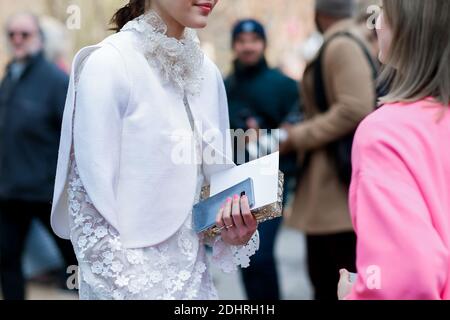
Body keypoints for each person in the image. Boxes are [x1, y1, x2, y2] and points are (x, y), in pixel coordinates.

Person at [50, 0, 259, 300]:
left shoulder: (207, 73)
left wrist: (233, 229)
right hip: (125, 289)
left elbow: (211, 194)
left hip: (197, 289)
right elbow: (90, 220)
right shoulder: (108, 64)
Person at [338, 0, 450, 300]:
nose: (376, 20)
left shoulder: (385, 134)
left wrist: (356, 295)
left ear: (409, 25)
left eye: (384, 8)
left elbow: (404, 281)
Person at [280, 0, 376, 300]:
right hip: (333, 187)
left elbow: (355, 107)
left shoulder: (341, 45)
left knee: (333, 283)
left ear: (320, 14)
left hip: (336, 190)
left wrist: (297, 136)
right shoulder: (348, 40)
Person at [0, 12, 76, 300]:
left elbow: (72, 136)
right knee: (7, 261)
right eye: (12, 35)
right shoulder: (9, 77)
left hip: (45, 192)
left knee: (74, 258)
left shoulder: (56, 80)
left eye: (25, 34)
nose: (18, 40)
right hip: (9, 192)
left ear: (40, 39)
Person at [224, 19, 300, 300]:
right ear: (234, 45)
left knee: (261, 253)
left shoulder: (285, 85)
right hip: (236, 182)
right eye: (242, 41)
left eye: (253, 40)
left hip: (273, 182)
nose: (247, 47)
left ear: (263, 44)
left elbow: (297, 127)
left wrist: (268, 139)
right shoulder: (224, 86)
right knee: (244, 252)